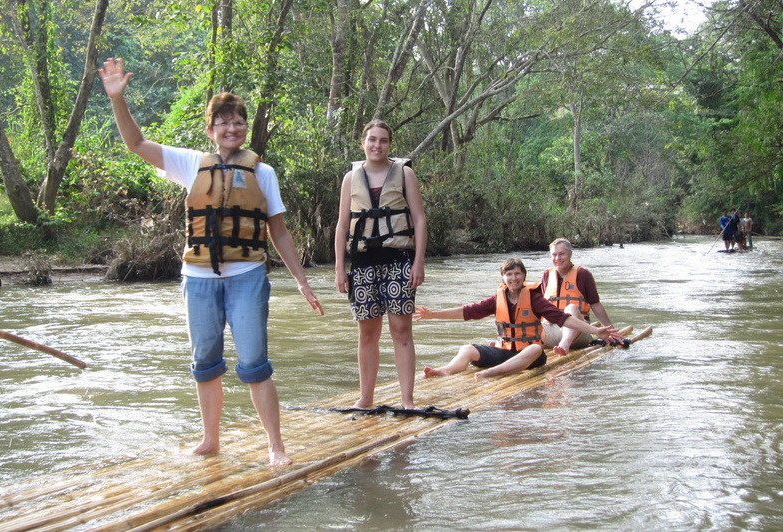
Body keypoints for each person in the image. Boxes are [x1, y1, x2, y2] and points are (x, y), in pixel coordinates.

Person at [99, 58, 324, 466]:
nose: (231, 129)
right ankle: (210, 439)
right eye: (223, 122)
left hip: (247, 276)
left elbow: (280, 232)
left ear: (244, 128)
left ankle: (276, 445)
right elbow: (136, 144)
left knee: (255, 362)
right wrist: (118, 100)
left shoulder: (264, 173)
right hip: (198, 277)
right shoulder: (190, 163)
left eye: (237, 122)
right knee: (206, 362)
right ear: (210, 130)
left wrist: (302, 282)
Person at [334, 119, 427, 409]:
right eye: (372, 140)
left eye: (383, 140)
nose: (377, 145)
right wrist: (339, 267)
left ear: (390, 144)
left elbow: (420, 219)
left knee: (401, 331)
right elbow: (341, 226)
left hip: (399, 260)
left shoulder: (405, 174)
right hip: (362, 264)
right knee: (367, 334)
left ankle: (407, 400)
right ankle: (366, 398)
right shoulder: (351, 179)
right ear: (363, 142)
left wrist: (419, 262)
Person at [415, 258, 619, 379]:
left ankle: (491, 372)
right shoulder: (498, 299)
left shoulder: (535, 299)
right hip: (505, 352)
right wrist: (433, 315)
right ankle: (445, 371)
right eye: (509, 274)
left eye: (517, 274)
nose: (513, 278)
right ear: (503, 278)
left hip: (529, 357)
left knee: (536, 348)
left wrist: (595, 330)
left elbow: (563, 318)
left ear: (524, 276)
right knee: (467, 348)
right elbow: (467, 311)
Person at [541, 238, 623, 356]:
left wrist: (611, 330)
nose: (557, 258)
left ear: (570, 253)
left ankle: (564, 344)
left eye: (561, 254)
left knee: (571, 308)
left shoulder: (583, 274)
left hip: (578, 333)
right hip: (552, 330)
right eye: (554, 255)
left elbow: (595, 305)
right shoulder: (546, 275)